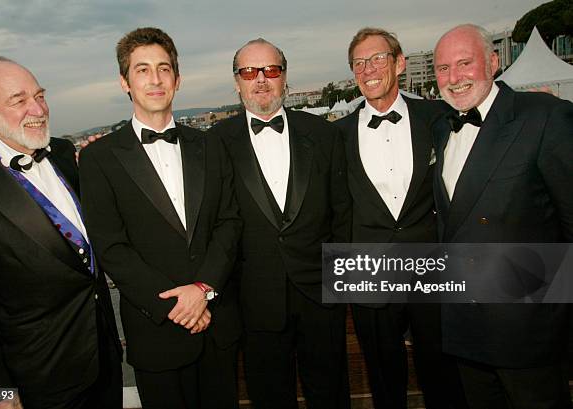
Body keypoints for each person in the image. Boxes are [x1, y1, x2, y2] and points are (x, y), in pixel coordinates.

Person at [79, 27, 242, 409]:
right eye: (142, 70)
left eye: (163, 69)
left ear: (177, 79)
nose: (154, 79)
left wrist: (203, 289)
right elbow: (111, 247)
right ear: (125, 83)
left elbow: (229, 223)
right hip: (156, 334)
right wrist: (178, 307)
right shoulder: (99, 158)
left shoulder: (211, 146)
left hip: (216, 325)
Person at [0, 57, 122, 409]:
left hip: (106, 366)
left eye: (40, 95)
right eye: (19, 100)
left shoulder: (63, 152)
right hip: (37, 385)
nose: (38, 109)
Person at [432, 23, 573, 409]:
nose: (454, 78)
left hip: (528, 330)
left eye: (464, 63)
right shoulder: (442, 129)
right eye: (443, 68)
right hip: (467, 327)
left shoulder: (545, 116)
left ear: (493, 62)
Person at [210, 38, 351, 409]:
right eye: (249, 72)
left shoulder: (323, 135)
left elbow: (343, 214)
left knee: (331, 393)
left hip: (321, 298)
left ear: (285, 78)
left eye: (271, 70)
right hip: (254, 305)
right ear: (236, 82)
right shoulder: (214, 145)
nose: (261, 80)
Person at [334, 27, 467, 409]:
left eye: (377, 58)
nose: (368, 69)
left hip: (433, 268)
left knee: (443, 372)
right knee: (382, 378)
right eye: (359, 63)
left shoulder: (438, 117)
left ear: (400, 63)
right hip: (368, 271)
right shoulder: (337, 135)